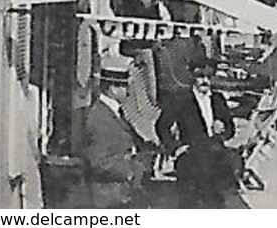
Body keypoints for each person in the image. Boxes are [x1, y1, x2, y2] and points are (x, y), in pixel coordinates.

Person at [156, 69, 238, 208]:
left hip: (215, 154)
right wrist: (175, 148)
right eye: (200, 77)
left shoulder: (217, 99)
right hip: (191, 154)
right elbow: (162, 126)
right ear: (192, 78)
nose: (205, 81)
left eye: (208, 77)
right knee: (193, 203)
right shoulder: (181, 99)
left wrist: (223, 129)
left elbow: (231, 129)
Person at [83, 66, 147, 208]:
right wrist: (130, 171)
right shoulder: (100, 117)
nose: (128, 91)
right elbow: (99, 162)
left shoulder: (115, 112)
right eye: (124, 86)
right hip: (107, 197)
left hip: (120, 194)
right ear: (112, 89)